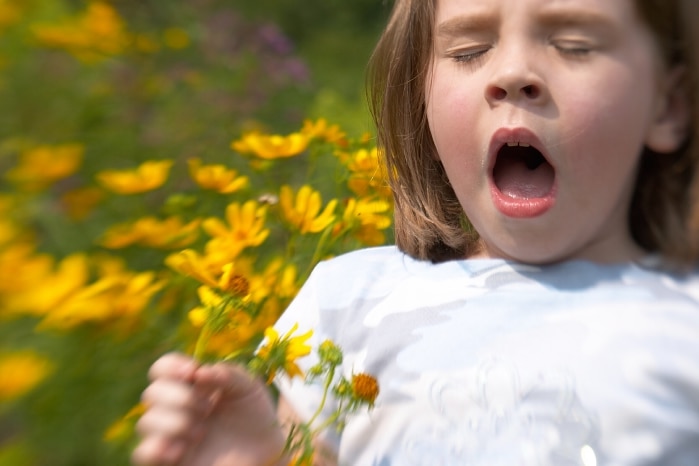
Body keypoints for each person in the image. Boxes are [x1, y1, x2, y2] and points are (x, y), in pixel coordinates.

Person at [132, 0, 699, 464]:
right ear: (420, 98)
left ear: (668, 105)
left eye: (574, 45)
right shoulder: (353, 300)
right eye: (469, 50)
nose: (511, 75)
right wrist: (256, 458)